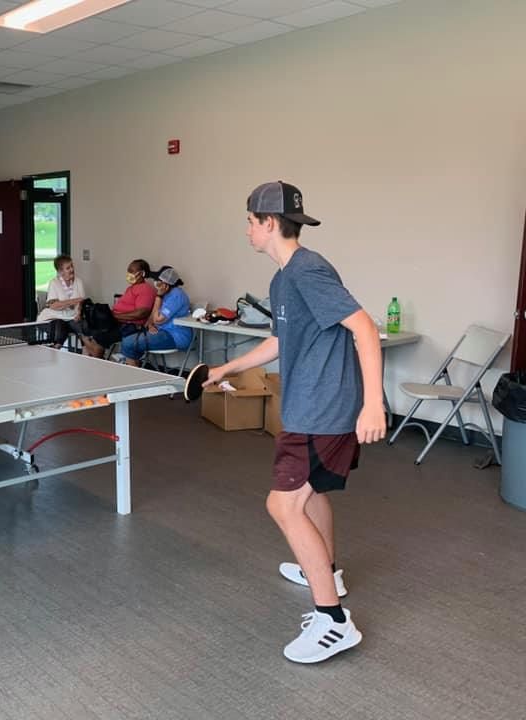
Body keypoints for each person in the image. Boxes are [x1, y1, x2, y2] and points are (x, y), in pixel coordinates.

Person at [201, 181, 385, 663]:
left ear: (269, 223)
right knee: (314, 491)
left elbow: (364, 327)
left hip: (323, 410)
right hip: (308, 405)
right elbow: (282, 341)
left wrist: (372, 404)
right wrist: (228, 367)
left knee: (283, 506)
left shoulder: (309, 270)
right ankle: (327, 569)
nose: (246, 228)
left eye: (249, 220)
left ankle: (333, 621)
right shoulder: (283, 279)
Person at [80, 259, 157, 359]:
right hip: (117, 322)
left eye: (131, 271)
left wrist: (114, 316)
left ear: (142, 273)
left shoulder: (145, 289)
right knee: (88, 325)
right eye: (128, 271)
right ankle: (90, 352)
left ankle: (95, 356)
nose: (129, 274)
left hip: (130, 326)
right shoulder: (131, 288)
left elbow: (142, 313)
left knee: (97, 337)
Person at [119, 266, 192, 366]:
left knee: (128, 343)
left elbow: (158, 319)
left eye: (158, 280)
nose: (156, 282)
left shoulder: (177, 295)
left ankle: (134, 376)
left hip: (175, 335)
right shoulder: (166, 293)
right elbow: (153, 316)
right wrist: (150, 324)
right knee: (128, 338)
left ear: (166, 284)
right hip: (161, 331)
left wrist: (158, 297)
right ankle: (137, 373)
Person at [37, 254, 85, 345]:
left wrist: (79, 312)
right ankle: (55, 349)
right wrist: (75, 300)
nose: (72, 269)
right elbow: (54, 306)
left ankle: (88, 352)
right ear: (60, 271)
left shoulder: (79, 281)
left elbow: (81, 302)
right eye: (68, 268)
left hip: (72, 317)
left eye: (72, 266)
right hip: (54, 316)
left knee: (84, 328)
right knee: (60, 325)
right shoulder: (54, 283)